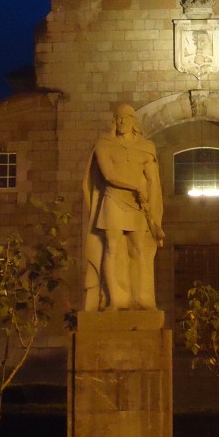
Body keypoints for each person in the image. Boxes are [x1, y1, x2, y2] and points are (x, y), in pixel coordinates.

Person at [83, 105, 164, 311]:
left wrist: (151, 207)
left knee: (138, 248)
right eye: (118, 118)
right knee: (112, 247)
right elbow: (108, 175)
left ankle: (141, 298)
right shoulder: (104, 145)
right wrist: (135, 186)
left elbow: (152, 180)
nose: (121, 122)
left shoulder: (146, 147)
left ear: (133, 122)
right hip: (113, 200)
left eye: (125, 118)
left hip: (137, 205)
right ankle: (115, 299)